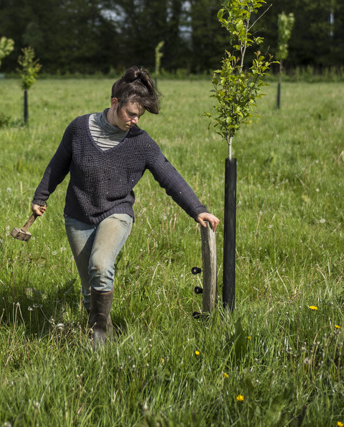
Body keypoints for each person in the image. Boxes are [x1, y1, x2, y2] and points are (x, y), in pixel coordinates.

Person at [30, 66, 220, 345]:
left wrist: (197, 209)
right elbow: (58, 164)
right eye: (130, 113)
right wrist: (40, 197)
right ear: (114, 103)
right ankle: (106, 332)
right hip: (78, 214)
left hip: (116, 212)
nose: (134, 120)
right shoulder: (79, 128)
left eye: (139, 116)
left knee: (100, 265)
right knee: (88, 289)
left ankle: (99, 339)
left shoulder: (140, 143)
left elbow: (168, 175)